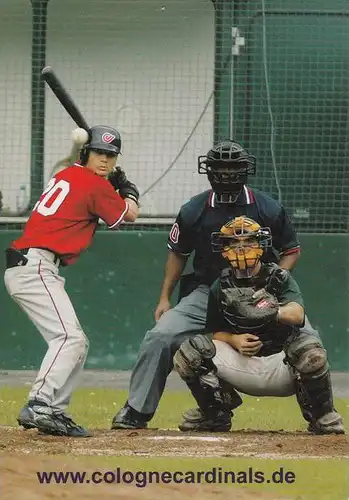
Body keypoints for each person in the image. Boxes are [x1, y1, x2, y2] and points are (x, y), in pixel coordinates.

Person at [111, 139, 307, 430]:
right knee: (160, 336)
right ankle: (137, 410)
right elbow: (178, 253)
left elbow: (292, 249)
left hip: (261, 292)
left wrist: (273, 281)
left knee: (308, 337)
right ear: (209, 170)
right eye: (221, 167)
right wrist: (164, 298)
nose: (227, 173)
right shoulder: (194, 210)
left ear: (245, 170)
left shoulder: (267, 207)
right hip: (208, 291)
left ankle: (321, 415)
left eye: (233, 167)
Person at [4, 125, 140, 437]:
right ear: (86, 153)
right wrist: (127, 189)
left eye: (111, 155)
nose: (104, 160)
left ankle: (53, 410)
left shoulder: (67, 175)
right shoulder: (93, 184)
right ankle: (40, 403)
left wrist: (112, 184)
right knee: (69, 339)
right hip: (35, 266)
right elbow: (127, 215)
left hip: (34, 266)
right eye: (99, 153)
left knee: (76, 341)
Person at [173, 216, 344, 434]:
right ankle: (214, 414)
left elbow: (297, 313)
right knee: (190, 352)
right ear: (224, 250)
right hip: (243, 364)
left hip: (282, 364)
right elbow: (216, 332)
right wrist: (235, 340)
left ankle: (322, 416)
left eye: (248, 242)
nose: (242, 249)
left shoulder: (279, 277)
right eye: (235, 244)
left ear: (260, 246)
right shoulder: (221, 285)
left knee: (309, 349)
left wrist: (271, 312)